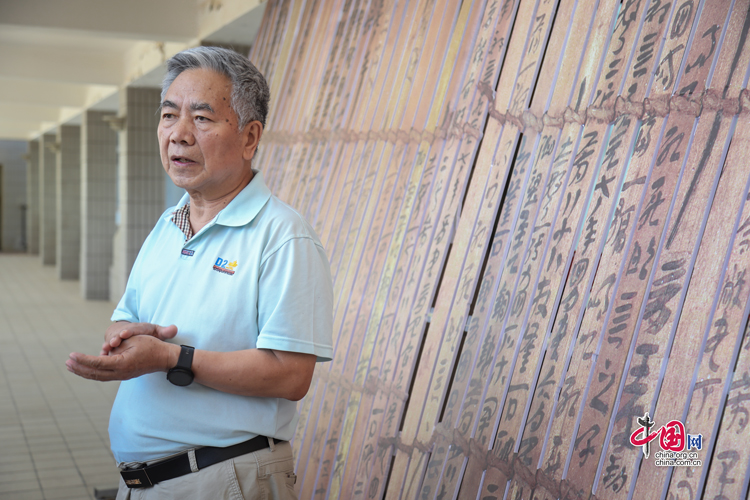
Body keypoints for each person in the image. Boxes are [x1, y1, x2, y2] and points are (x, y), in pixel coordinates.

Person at [66, 46, 333, 499]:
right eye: (169, 115)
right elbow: (126, 316)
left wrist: (173, 358)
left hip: (223, 479)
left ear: (250, 137)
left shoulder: (283, 236)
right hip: (141, 484)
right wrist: (125, 338)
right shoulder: (167, 225)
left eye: (202, 118)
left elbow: (290, 375)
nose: (179, 134)